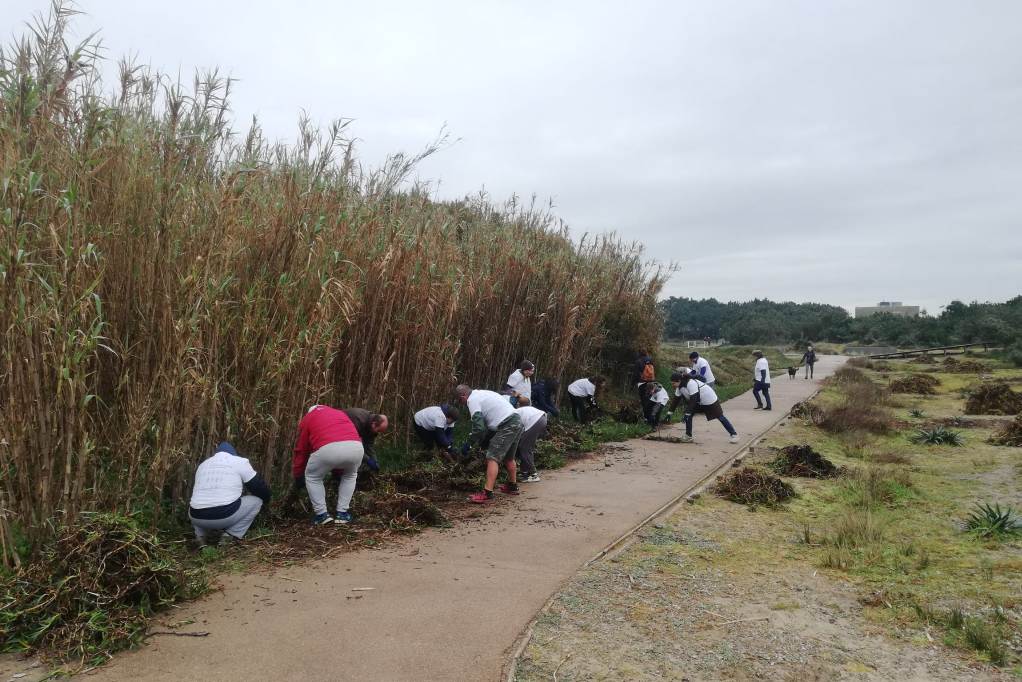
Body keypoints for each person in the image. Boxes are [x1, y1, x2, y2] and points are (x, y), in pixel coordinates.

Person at [292, 405, 366, 525]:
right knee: (350, 475)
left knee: (313, 477)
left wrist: (298, 474)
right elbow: (343, 438)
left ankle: (321, 515)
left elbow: (302, 449)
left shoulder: (309, 417)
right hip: (356, 447)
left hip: (328, 449)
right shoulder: (339, 413)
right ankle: (342, 514)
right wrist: (338, 471)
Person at [189, 441, 271, 547]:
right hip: (224, 515)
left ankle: (200, 538)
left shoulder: (203, 465)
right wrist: (268, 499)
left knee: (197, 502)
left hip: (196, 518)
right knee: (257, 501)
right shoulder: (239, 461)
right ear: (233, 453)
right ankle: (230, 536)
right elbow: (257, 486)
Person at [457, 384, 525, 503]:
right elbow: (488, 424)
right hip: (516, 421)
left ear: (463, 396)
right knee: (509, 458)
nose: (461, 403)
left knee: (492, 457)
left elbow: (479, 428)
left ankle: (487, 493)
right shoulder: (482, 393)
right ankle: (512, 486)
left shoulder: (472, 400)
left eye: (459, 400)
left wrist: (469, 444)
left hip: (507, 424)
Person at [668, 372, 740, 444]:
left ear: (679, 380)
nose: (672, 385)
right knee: (689, 415)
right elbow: (675, 400)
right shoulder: (679, 387)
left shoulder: (691, 383)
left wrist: (687, 413)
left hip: (709, 399)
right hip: (698, 401)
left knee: (720, 416)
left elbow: (693, 400)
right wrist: (669, 414)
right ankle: (688, 436)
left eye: (673, 383)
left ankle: (734, 434)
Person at [515, 403, 548, 482]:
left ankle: (533, 474)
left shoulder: (510, 415)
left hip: (535, 420)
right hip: (541, 417)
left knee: (525, 448)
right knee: (523, 446)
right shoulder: (514, 411)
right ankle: (524, 472)